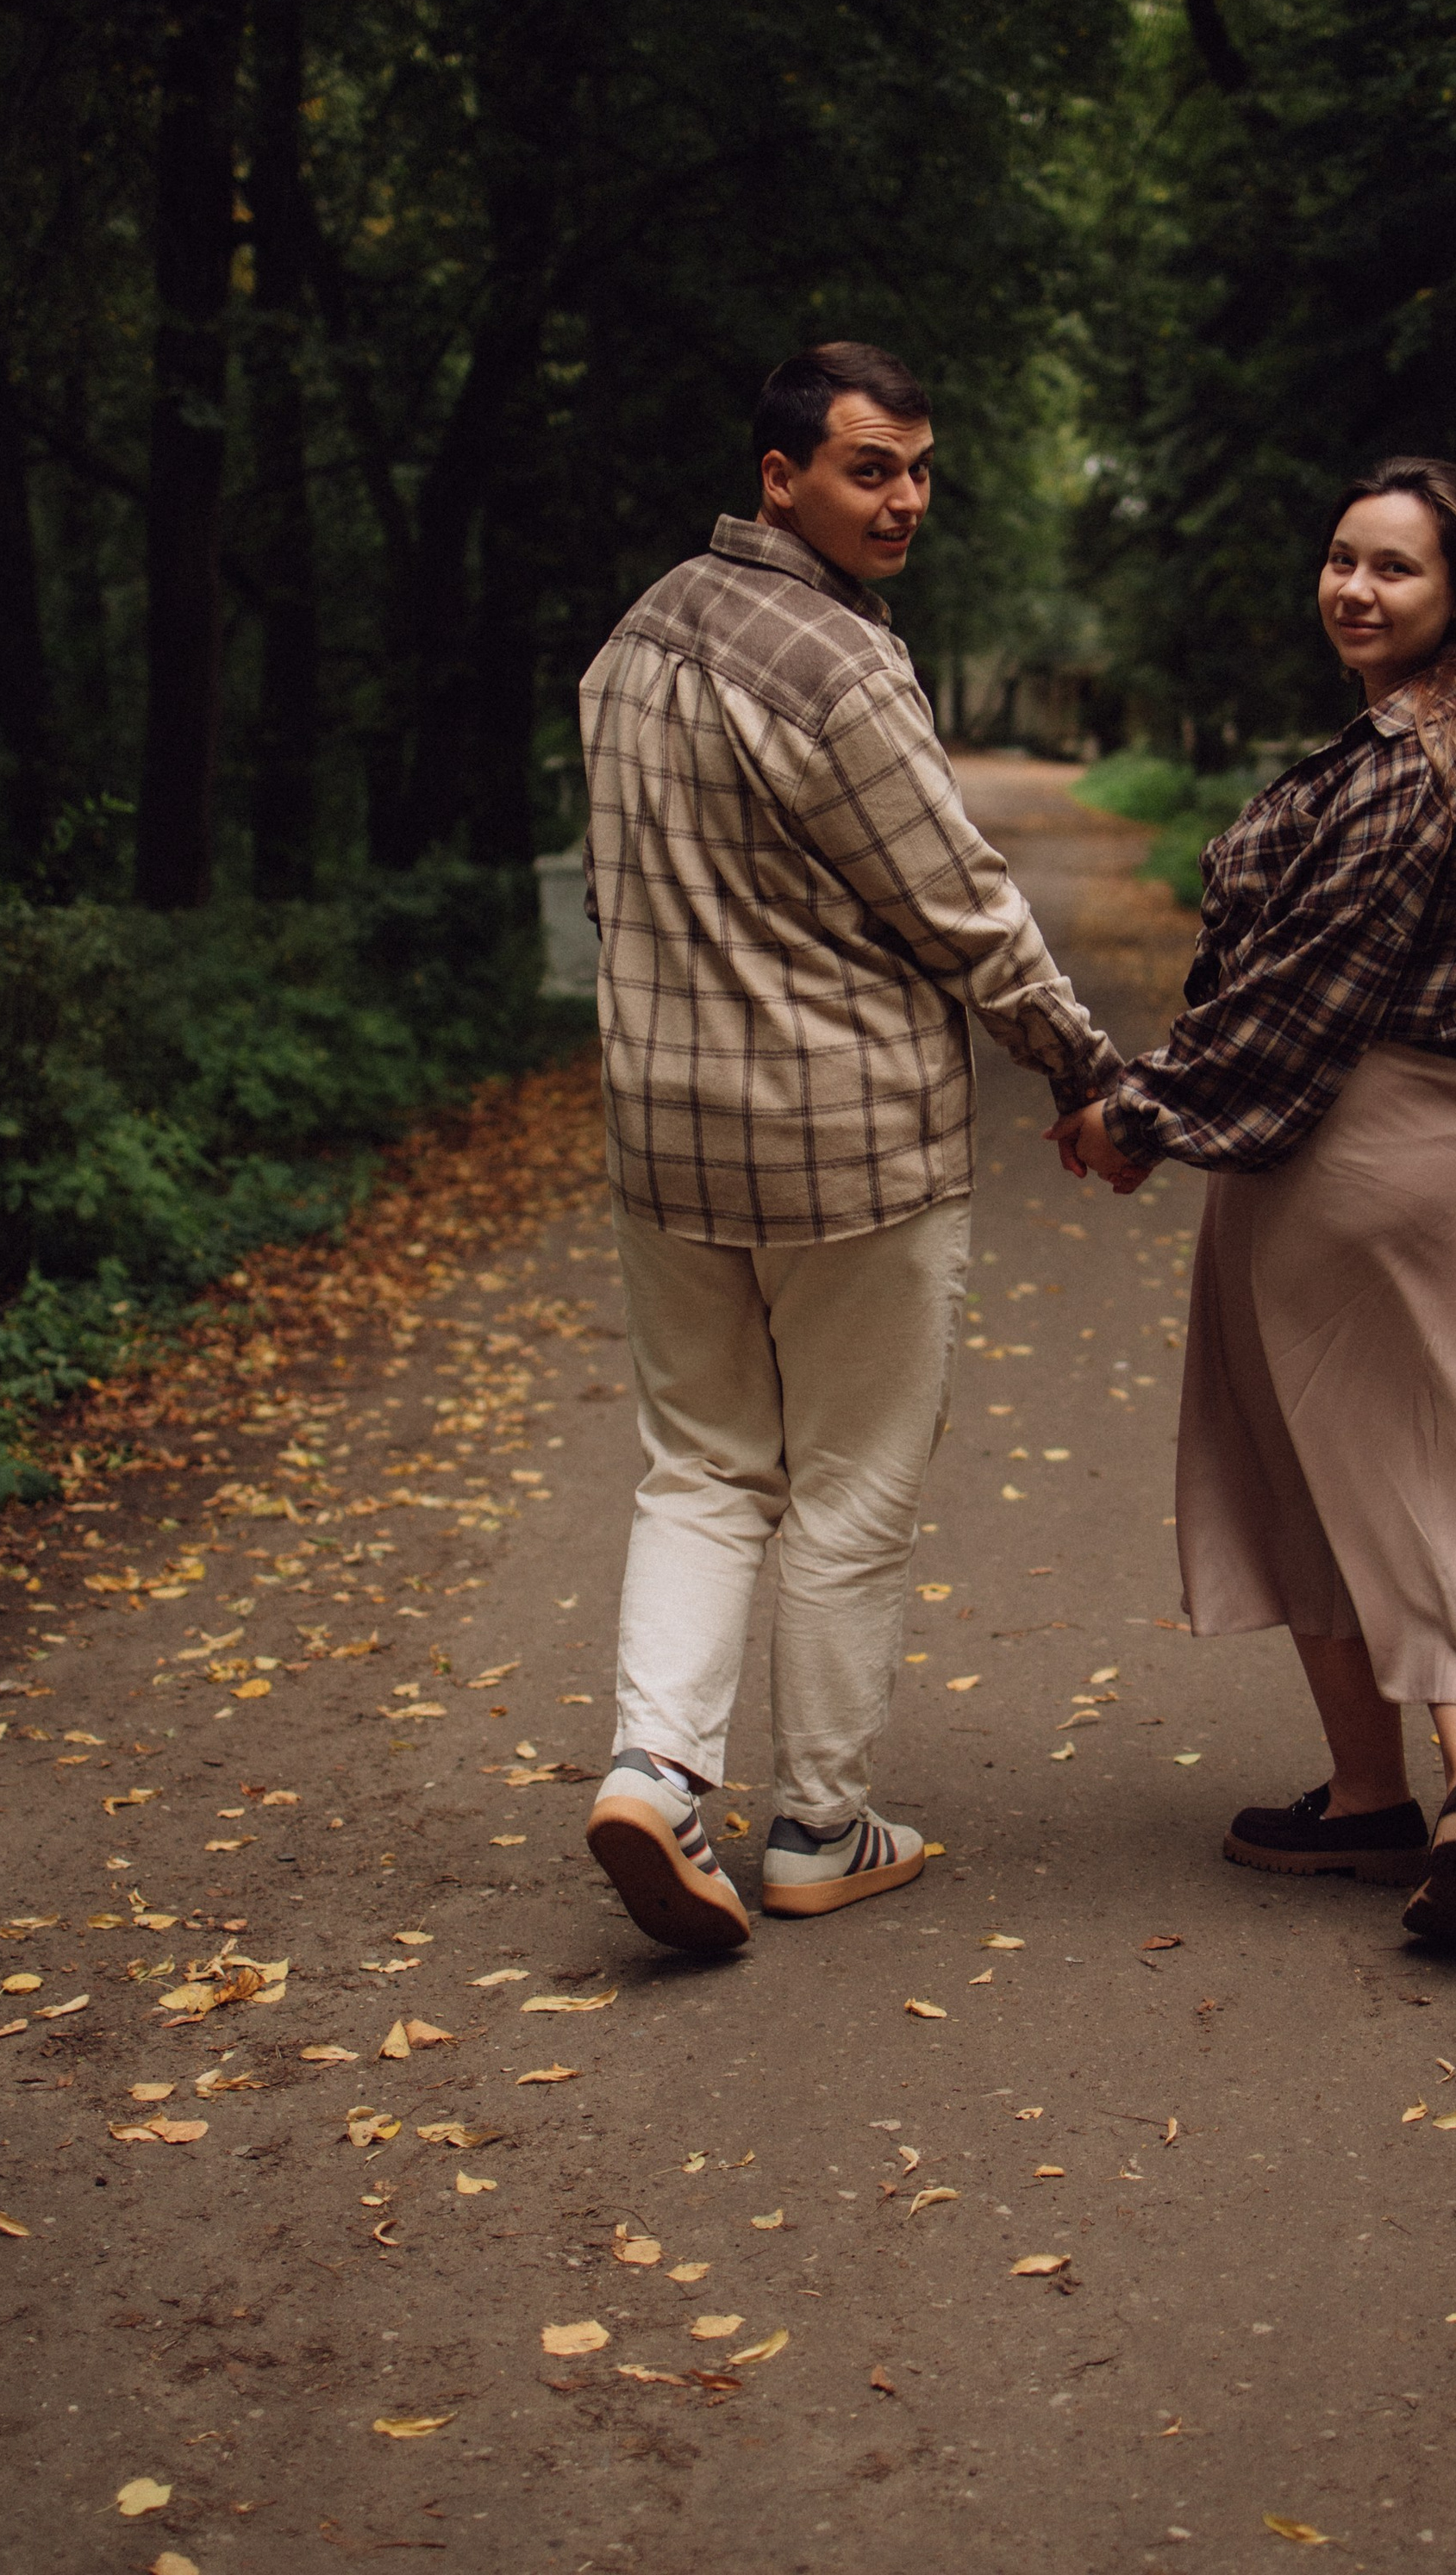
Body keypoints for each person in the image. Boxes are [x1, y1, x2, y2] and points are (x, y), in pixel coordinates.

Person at [578, 340, 1119, 1955]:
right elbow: (959, 903)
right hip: (848, 1147)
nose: (904, 499)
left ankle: (657, 1775)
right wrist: (1083, 1071)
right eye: (870, 467)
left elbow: (622, 900)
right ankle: (818, 1824)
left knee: (699, 1467)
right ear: (781, 479)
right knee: (851, 1488)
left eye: (919, 469)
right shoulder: (837, 664)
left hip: (669, 1141)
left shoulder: (627, 641)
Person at [1050, 458, 1456, 1953]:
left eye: (1394, 571)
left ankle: (1385, 1792)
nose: (1355, 590)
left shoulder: (1416, 766)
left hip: (1366, 1152)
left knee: (1304, 1446)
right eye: (1343, 560)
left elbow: (1304, 997)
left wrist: (1139, 1115)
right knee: (1453, 1446)